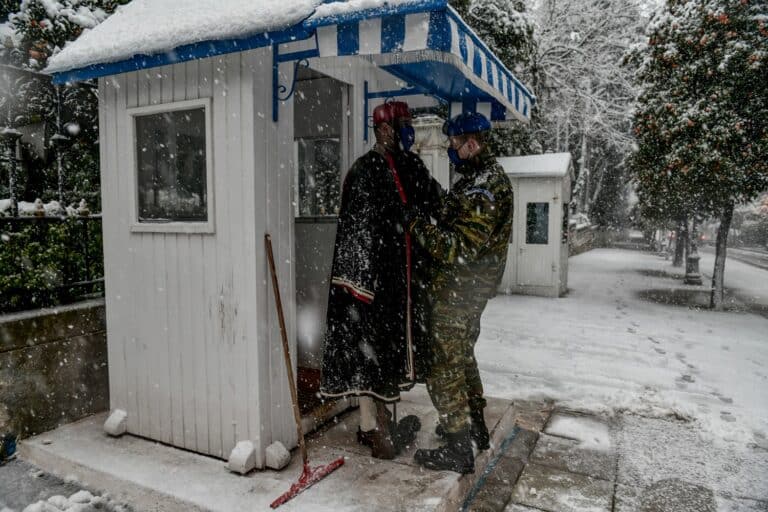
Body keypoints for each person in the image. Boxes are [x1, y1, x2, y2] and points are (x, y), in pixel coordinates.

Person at [320, 101, 442, 459]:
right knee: (372, 359)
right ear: (385, 129)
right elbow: (356, 234)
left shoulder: (411, 165)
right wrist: (362, 288)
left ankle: (372, 426)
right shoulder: (364, 171)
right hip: (375, 289)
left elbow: (436, 201)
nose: (410, 130)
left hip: (406, 285)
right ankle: (378, 432)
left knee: (391, 357)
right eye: (404, 124)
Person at [405, 112, 513, 474]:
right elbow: (453, 210)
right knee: (463, 359)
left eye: (454, 144)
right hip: (467, 292)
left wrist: (416, 225)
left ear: (472, 143)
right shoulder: (476, 180)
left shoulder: (486, 188)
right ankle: (475, 428)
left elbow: (459, 247)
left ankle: (456, 446)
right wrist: (430, 191)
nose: (451, 150)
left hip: (460, 293)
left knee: (444, 366)